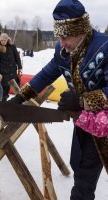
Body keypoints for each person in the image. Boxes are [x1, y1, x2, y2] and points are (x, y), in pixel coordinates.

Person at [9, 0, 108, 199]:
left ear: (80, 31)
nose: (61, 43)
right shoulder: (63, 51)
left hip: (104, 125)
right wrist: (21, 96)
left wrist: (82, 100)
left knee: (86, 175)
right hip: (82, 121)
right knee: (79, 164)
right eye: (59, 37)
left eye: (65, 37)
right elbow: (47, 74)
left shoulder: (104, 47)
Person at [0, 33, 22, 101]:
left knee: (17, 88)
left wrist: (19, 67)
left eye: (4, 40)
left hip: (12, 70)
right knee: (4, 89)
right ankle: (4, 103)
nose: (2, 42)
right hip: (3, 72)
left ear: (7, 40)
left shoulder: (12, 46)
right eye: (1, 40)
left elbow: (17, 57)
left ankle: (19, 101)